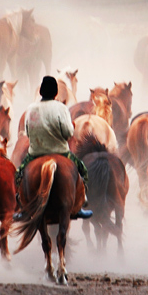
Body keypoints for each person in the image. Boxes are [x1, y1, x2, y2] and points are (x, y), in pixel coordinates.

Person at [14, 75, 92, 220]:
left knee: (19, 174)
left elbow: (28, 132)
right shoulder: (61, 108)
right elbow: (69, 132)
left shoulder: (31, 109)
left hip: (35, 153)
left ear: (41, 92)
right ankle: (80, 204)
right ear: (56, 93)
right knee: (82, 169)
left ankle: (21, 206)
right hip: (61, 152)